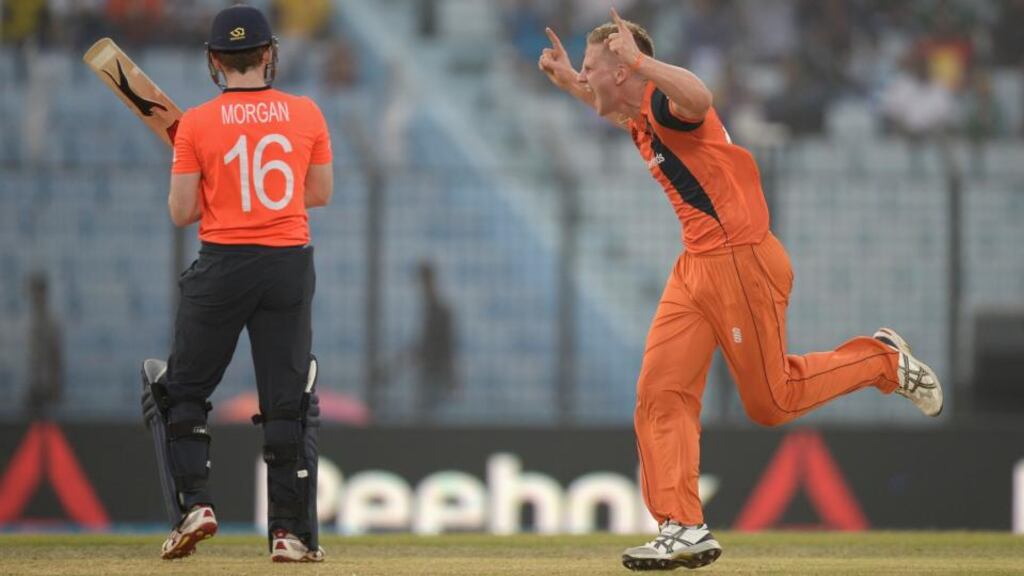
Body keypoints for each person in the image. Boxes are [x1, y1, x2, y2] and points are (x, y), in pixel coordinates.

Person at [539, 9, 942, 571]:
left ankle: (882, 362)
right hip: (698, 266)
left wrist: (641, 60)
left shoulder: (661, 99)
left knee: (771, 402)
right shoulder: (640, 113)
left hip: (740, 261)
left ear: (626, 71)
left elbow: (700, 99)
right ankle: (682, 527)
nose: (583, 75)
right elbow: (620, 105)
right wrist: (571, 86)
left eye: (591, 67)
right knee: (661, 392)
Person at [152, 4, 333, 563]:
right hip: (286, 264)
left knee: (182, 391)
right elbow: (318, 193)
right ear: (268, 55)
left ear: (215, 61)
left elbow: (182, 212)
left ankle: (197, 505)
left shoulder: (198, 125)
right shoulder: (306, 112)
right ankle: (289, 534)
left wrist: (218, 186)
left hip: (224, 263)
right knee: (285, 403)